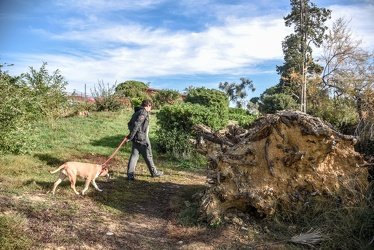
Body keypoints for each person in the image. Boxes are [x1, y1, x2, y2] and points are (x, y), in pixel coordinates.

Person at [124, 100, 163, 180]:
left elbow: (129, 124)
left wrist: (131, 136)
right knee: (148, 156)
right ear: (148, 105)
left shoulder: (136, 113)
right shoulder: (143, 112)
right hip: (142, 139)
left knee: (134, 156)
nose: (150, 109)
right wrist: (131, 136)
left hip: (136, 138)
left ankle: (130, 175)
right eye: (150, 107)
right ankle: (154, 173)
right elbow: (137, 125)